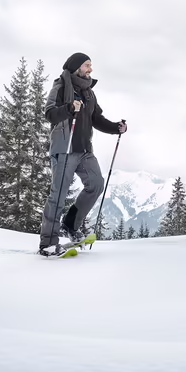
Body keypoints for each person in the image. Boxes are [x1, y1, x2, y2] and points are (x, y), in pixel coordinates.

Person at [39, 52, 127, 256]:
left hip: (85, 150)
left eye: (91, 65)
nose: (90, 69)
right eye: (87, 65)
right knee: (58, 195)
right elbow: (50, 113)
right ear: (77, 67)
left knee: (96, 185)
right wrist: (69, 108)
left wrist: (116, 128)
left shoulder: (89, 92)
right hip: (65, 149)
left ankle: (70, 224)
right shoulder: (60, 86)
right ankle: (47, 243)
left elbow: (97, 118)